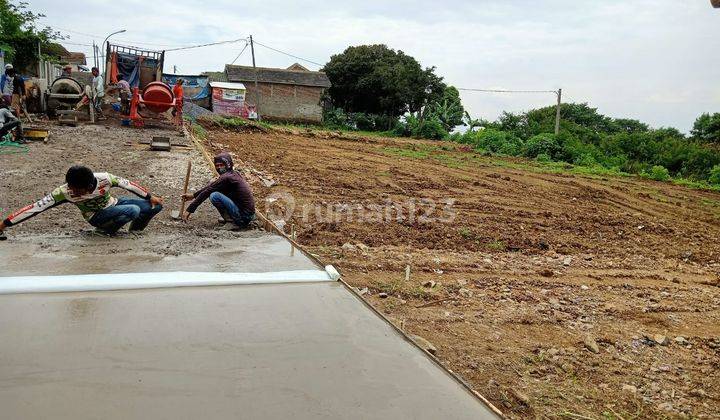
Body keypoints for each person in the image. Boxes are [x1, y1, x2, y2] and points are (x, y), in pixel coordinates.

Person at [0, 165, 164, 236]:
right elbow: (35, 208)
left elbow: (130, 185)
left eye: (77, 190)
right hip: (96, 216)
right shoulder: (63, 192)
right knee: (133, 210)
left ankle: (134, 231)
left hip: (113, 204)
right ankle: (104, 230)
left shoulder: (106, 179)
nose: (73, 192)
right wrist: (5, 224)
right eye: (71, 187)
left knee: (155, 206)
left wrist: (150, 197)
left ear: (90, 185)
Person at [182, 152, 255, 229]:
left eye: (222, 165)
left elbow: (208, 191)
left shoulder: (226, 178)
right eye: (217, 166)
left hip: (245, 216)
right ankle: (234, 218)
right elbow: (211, 186)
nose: (219, 168)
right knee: (216, 190)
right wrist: (193, 195)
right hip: (248, 214)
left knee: (214, 196)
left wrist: (189, 210)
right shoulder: (233, 174)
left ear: (228, 164)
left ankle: (234, 222)